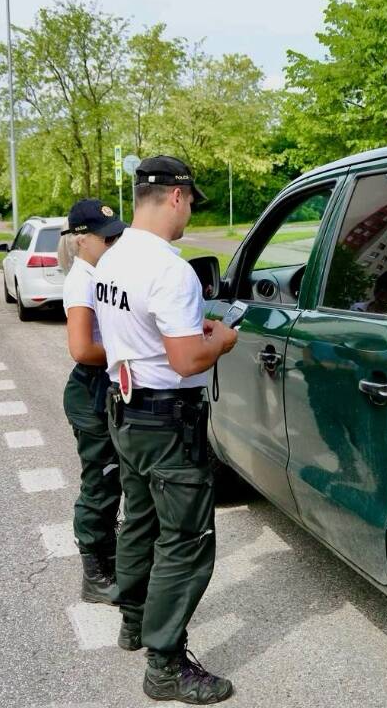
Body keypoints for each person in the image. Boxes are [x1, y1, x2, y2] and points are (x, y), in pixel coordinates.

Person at [93, 156, 239, 704]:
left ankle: (133, 622)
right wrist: (220, 341)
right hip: (166, 421)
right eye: (190, 205)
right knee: (184, 541)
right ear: (176, 196)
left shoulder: (112, 259)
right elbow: (185, 362)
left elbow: (142, 330)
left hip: (126, 410)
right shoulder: (170, 269)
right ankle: (166, 664)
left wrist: (186, 331)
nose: (188, 217)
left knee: (140, 522)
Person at [58, 198, 127, 605]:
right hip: (91, 391)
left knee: (113, 479)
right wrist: (129, 349)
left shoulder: (99, 272)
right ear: (82, 239)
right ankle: (96, 575)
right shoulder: (81, 280)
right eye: (106, 238)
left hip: (104, 388)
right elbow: (82, 348)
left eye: (115, 235)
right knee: (100, 484)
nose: (112, 242)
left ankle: (111, 559)